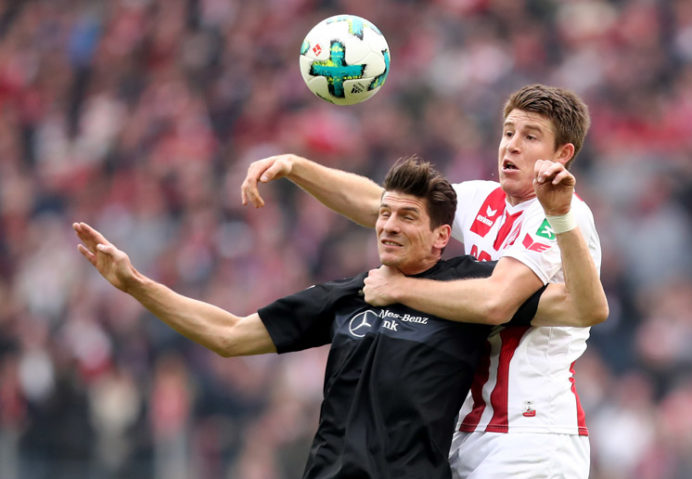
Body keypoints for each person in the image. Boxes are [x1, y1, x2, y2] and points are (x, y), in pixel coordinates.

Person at [76, 156, 605, 478]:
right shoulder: (353, 293)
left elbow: (584, 306)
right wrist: (135, 285)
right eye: (384, 214)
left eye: (406, 217)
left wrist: (560, 218)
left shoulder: (474, 290)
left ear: (443, 235)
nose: (388, 227)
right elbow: (229, 335)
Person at [241, 84, 602, 478]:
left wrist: (400, 288)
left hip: (532, 431)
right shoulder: (485, 200)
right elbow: (379, 204)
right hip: (470, 429)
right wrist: (297, 167)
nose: (511, 146)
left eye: (530, 136)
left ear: (562, 155)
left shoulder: (564, 217)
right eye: (508, 132)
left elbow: (496, 302)